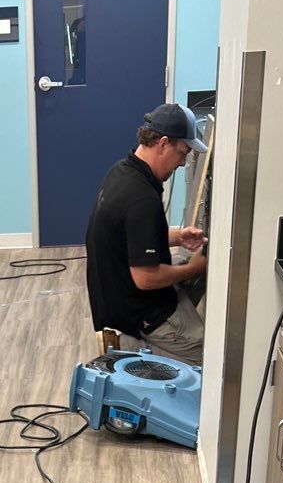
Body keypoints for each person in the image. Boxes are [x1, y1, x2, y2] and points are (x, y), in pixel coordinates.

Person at [85, 102, 208, 366]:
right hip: (139, 313)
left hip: (115, 302)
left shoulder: (121, 172)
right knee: (211, 354)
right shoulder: (141, 198)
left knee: (185, 273)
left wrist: (177, 237)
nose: (183, 162)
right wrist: (195, 268)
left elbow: (128, 237)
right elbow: (145, 278)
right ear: (163, 143)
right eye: (182, 152)